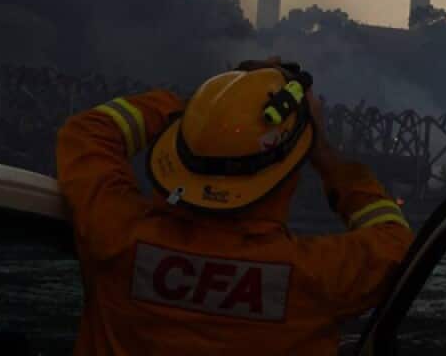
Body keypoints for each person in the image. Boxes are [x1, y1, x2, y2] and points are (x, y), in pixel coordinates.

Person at [56, 59, 413, 354]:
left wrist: (215, 105)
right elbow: (395, 241)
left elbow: (89, 131)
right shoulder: (316, 278)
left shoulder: (115, 236)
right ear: (289, 172)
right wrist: (326, 157)